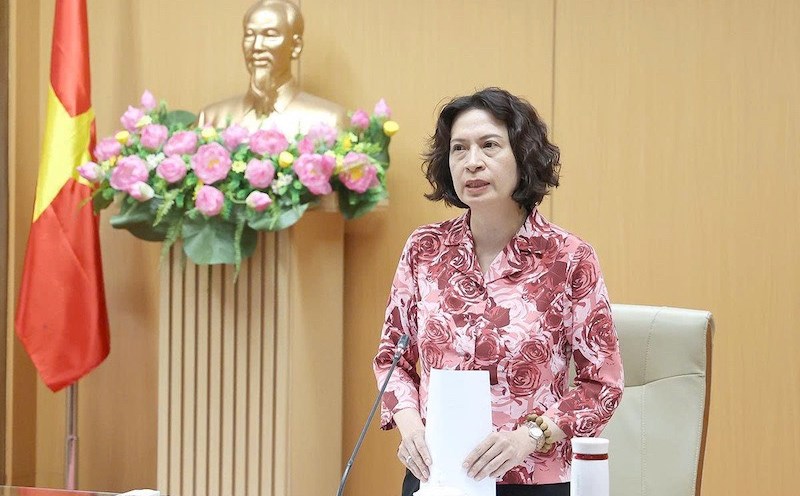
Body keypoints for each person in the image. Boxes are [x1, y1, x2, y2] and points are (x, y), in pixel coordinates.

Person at [373, 88, 624, 496]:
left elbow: (602, 385)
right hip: (440, 476)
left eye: (489, 146)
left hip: (534, 480)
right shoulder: (424, 250)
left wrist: (528, 437)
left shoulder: (570, 258)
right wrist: (411, 427)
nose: (472, 162)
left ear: (523, 157)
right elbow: (391, 360)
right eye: (459, 149)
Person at [197, 0, 345, 134]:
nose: (257, 46)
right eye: (249, 35)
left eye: (270, 35)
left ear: (295, 46)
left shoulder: (328, 121)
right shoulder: (212, 119)